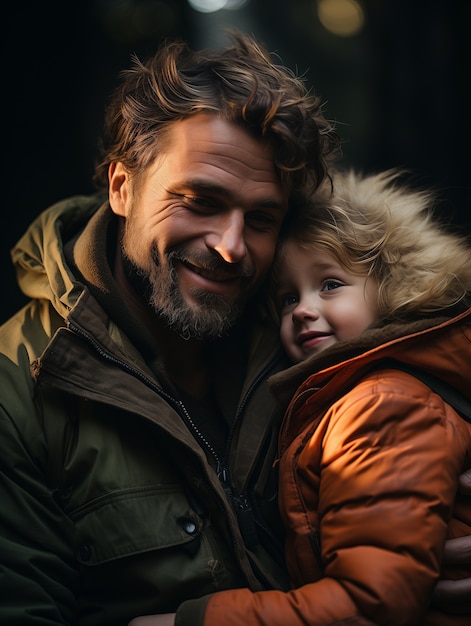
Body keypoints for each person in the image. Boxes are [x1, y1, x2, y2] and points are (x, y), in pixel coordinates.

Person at [0, 29, 468, 625]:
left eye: (262, 217)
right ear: (122, 186)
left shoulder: (318, 333)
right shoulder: (19, 395)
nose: (230, 247)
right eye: (199, 201)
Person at [151, 169, 471, 626]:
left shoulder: (380, 404)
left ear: (394, 290)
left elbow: (371, 603)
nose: (302, 309)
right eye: (286, 298)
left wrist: (197, 621)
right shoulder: (345, 399)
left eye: (330, 284)